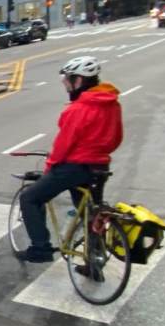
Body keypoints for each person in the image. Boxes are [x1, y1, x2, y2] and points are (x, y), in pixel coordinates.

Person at [16, 56, 124, 263]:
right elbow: (117, 137)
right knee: (90, 214)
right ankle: (94, 260)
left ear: (78, 81)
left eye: (66, 79)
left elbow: (63, 145)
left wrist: (50, 166)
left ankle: (40, 249)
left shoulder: (78, 109)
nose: (64, 84)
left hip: (74, 167)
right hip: (100, 166)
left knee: (30, 198)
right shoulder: (112, 104)